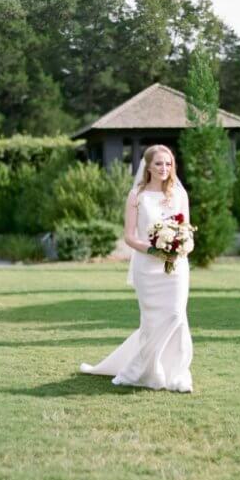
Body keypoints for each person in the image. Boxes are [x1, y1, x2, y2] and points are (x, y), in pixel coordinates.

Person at [79, 145, 194, 392]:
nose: (164, 168)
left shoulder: (179, 195)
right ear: (148, 167)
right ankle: (149, 372)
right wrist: (155, 250)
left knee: (176, 316)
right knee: (152, 323)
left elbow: (188, 232)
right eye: (159, 164)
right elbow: (130, 237)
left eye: (168, 164)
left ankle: (178, 374)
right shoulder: (137, 196)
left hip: (176, 268)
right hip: (147, 269)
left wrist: (182, 248)